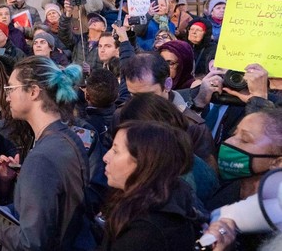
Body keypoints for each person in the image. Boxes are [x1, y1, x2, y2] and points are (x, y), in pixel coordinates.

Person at [0, 57, 93, 250]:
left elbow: (31, 243)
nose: (7, 96)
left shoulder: (42, 157)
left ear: (34, 92)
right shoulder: (67, 137)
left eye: (11, 89)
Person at [99, 121, 197, 250]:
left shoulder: (146, 232)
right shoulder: (151, 201)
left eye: (116, 151)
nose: (106, 157)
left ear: (143, 162)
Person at [204, 107, 282, 250]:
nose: (230, 142)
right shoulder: (219, 187)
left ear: (277, 162)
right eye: (234, 133)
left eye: (245, 140)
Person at [60, 0, 107, 71]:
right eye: (90, 20)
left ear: (104, 28)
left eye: (97, 20)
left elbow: (108, 69)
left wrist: (91, 71)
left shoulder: (106, 45)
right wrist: (68, 13)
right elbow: (64, 33)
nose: (92, 21)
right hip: (76, 80)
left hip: (95, 81)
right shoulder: (79, 40)